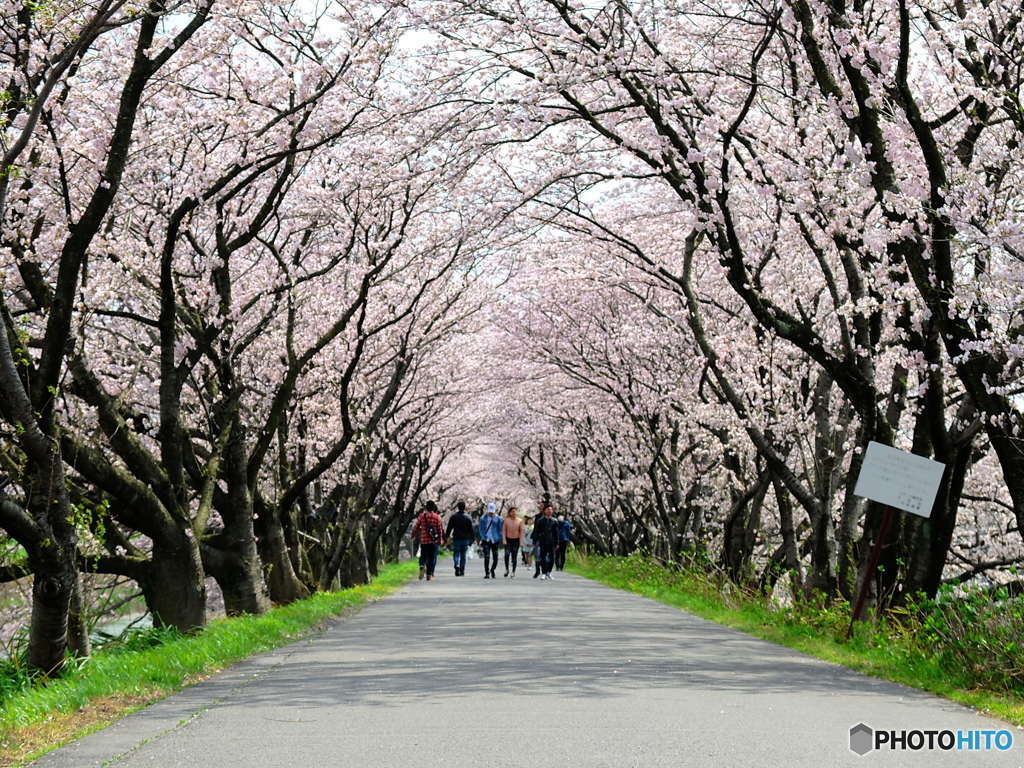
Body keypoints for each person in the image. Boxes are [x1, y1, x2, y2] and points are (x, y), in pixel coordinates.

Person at [411, 500, 445, 581]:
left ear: (426, 507)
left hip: (424, 540)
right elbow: (440, 530)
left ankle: (422, 566)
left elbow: (416, 526)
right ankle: (429, 575)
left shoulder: (422, 516)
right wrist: (440, 540)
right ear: (434, 508)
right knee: (431, 558)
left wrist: (413, 535)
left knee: (423, 555)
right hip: (433, 541)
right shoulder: (437, 517)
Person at [445, 501, 475, 577]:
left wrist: (446, 536)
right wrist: (473, 538)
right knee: (463, 555)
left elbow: (449, 528)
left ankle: (456, 564)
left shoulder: (454, 517)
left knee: (456, 553)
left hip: (456, 538)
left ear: (458, 507)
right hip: (465, 538)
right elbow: (471, 529)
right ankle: (462, 571)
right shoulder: (468, 517)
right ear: (465, 508)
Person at [531, 502, 559, 580]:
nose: (550, 511)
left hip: (551, 542)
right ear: (544, 511)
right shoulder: (540, 521)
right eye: (548, 509)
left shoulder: (554, 521)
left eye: (551, 510)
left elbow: (556, 533)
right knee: (542, 557)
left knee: (552, 558)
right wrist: (534, 542)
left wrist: (557, 543)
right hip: (542, 541)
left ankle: (549, 572)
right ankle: (543, 573)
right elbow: (537, 532)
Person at [478, 502, 503, 579]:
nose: (491, 513)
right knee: (487, 556)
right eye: (489, 511)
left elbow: (500, 529)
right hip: (486, 539)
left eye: (492, 512)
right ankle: (487, 572)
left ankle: (492, 570)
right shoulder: (483, 518)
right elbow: (481, 529)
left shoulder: (498, 519)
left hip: (495, 539)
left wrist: (499, 537)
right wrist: (483, 537)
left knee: (495, 557)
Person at [502, 507, 524, 578]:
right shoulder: (506, 520)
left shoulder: (519, 521)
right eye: (512, 512)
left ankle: (513, 571)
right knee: (506, 554)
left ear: (516, 512)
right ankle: (507, 569)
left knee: (514, 556)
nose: (513, 513)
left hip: (516, 540)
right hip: (508, 539)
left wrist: (521, 542)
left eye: (514, 511)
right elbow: (504, 530)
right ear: (510, 513)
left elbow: (521, 532)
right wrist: (504, 539)